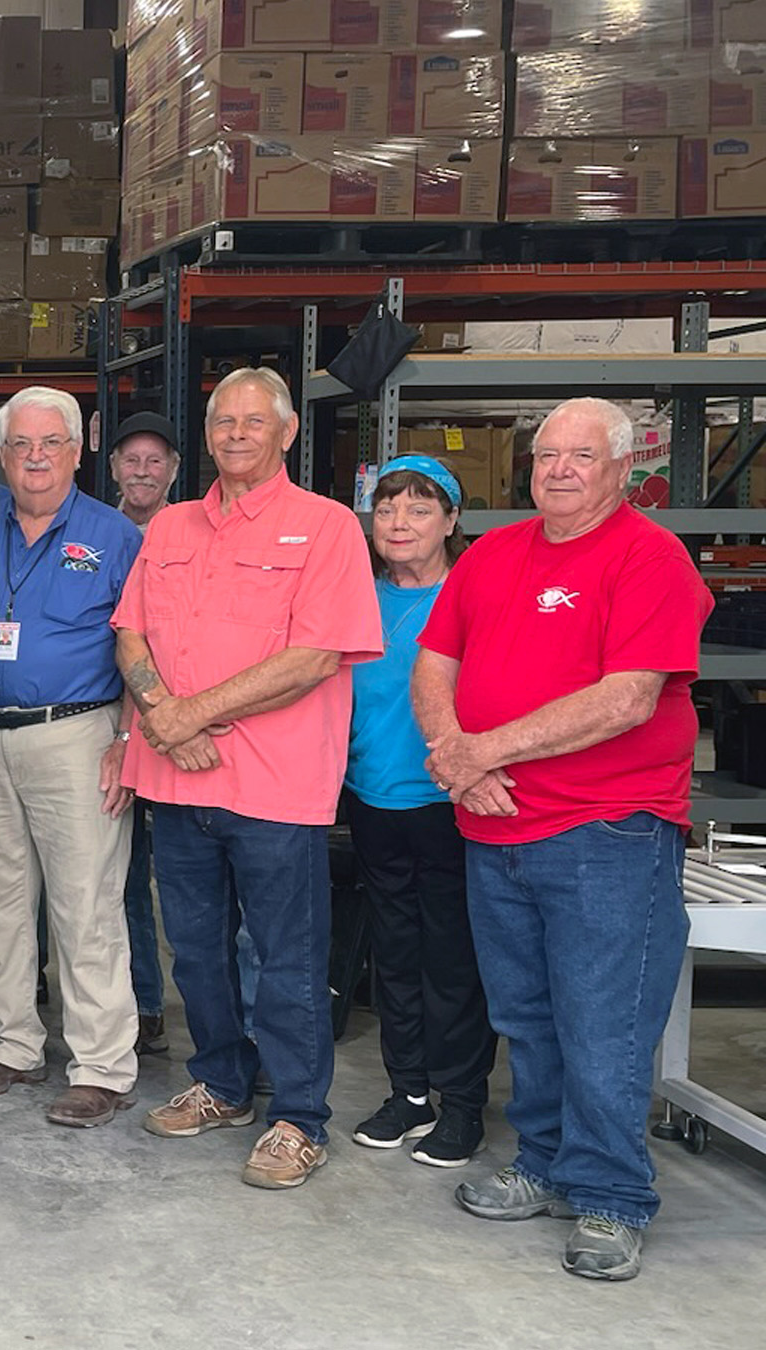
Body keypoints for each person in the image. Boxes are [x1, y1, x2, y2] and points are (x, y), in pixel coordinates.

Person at [418, 398, 711, 1282]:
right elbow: (435, 665)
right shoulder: (495, 554)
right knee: (526, 1016)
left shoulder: (648, 557)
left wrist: (483, 750)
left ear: (623, 469)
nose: (559, 470)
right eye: (548, 455)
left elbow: (628, 698)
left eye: (582, 456)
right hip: (494, 823)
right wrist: (458, 763)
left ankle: (612, 1197)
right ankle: (544, 1163)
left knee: (605, 1024)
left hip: (606, 829)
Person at [110, 366, 380, 1190]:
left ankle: (299, 1116)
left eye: (252, 422)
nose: (234, 434)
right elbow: (130, 633)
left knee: (288, 957)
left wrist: (189, 716)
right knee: (194, 951)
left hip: (274, 787)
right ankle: (222, 1084)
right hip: (176, 780)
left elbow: (314, 656)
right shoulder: (174, 527)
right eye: (222, 420)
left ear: (287, 433)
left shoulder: (327, 528)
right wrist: (162, 712)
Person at [0, 387, 146, 1128]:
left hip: (77, 737)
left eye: (50, 443)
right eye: (20, 445)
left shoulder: (114, 535)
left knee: (86, 901)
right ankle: (12, 1045)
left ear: (76, 451)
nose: (35, 458)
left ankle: (101, 1064)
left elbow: (142, 644)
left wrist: (128, 740)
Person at [342, 455, 496, 1167]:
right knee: (395, 956)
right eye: (387, 509)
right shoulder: (355, 597)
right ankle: (408, 1092)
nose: (399, 522)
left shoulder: (474, 596)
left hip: (452, 805)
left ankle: (463, 1103)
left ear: (452, 522)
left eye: (419, 509)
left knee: (453, 960)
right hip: (374, 799)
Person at [108, 410, 183, 1057]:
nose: (141, 470)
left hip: (185, 719)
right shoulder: (99, 534)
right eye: (130, 459)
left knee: (188, 877)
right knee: (124, 869)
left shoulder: (191, 535)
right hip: (114, 718)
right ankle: (144, 1002)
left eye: (154, 460)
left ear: (173, 471)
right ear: (113, 470)